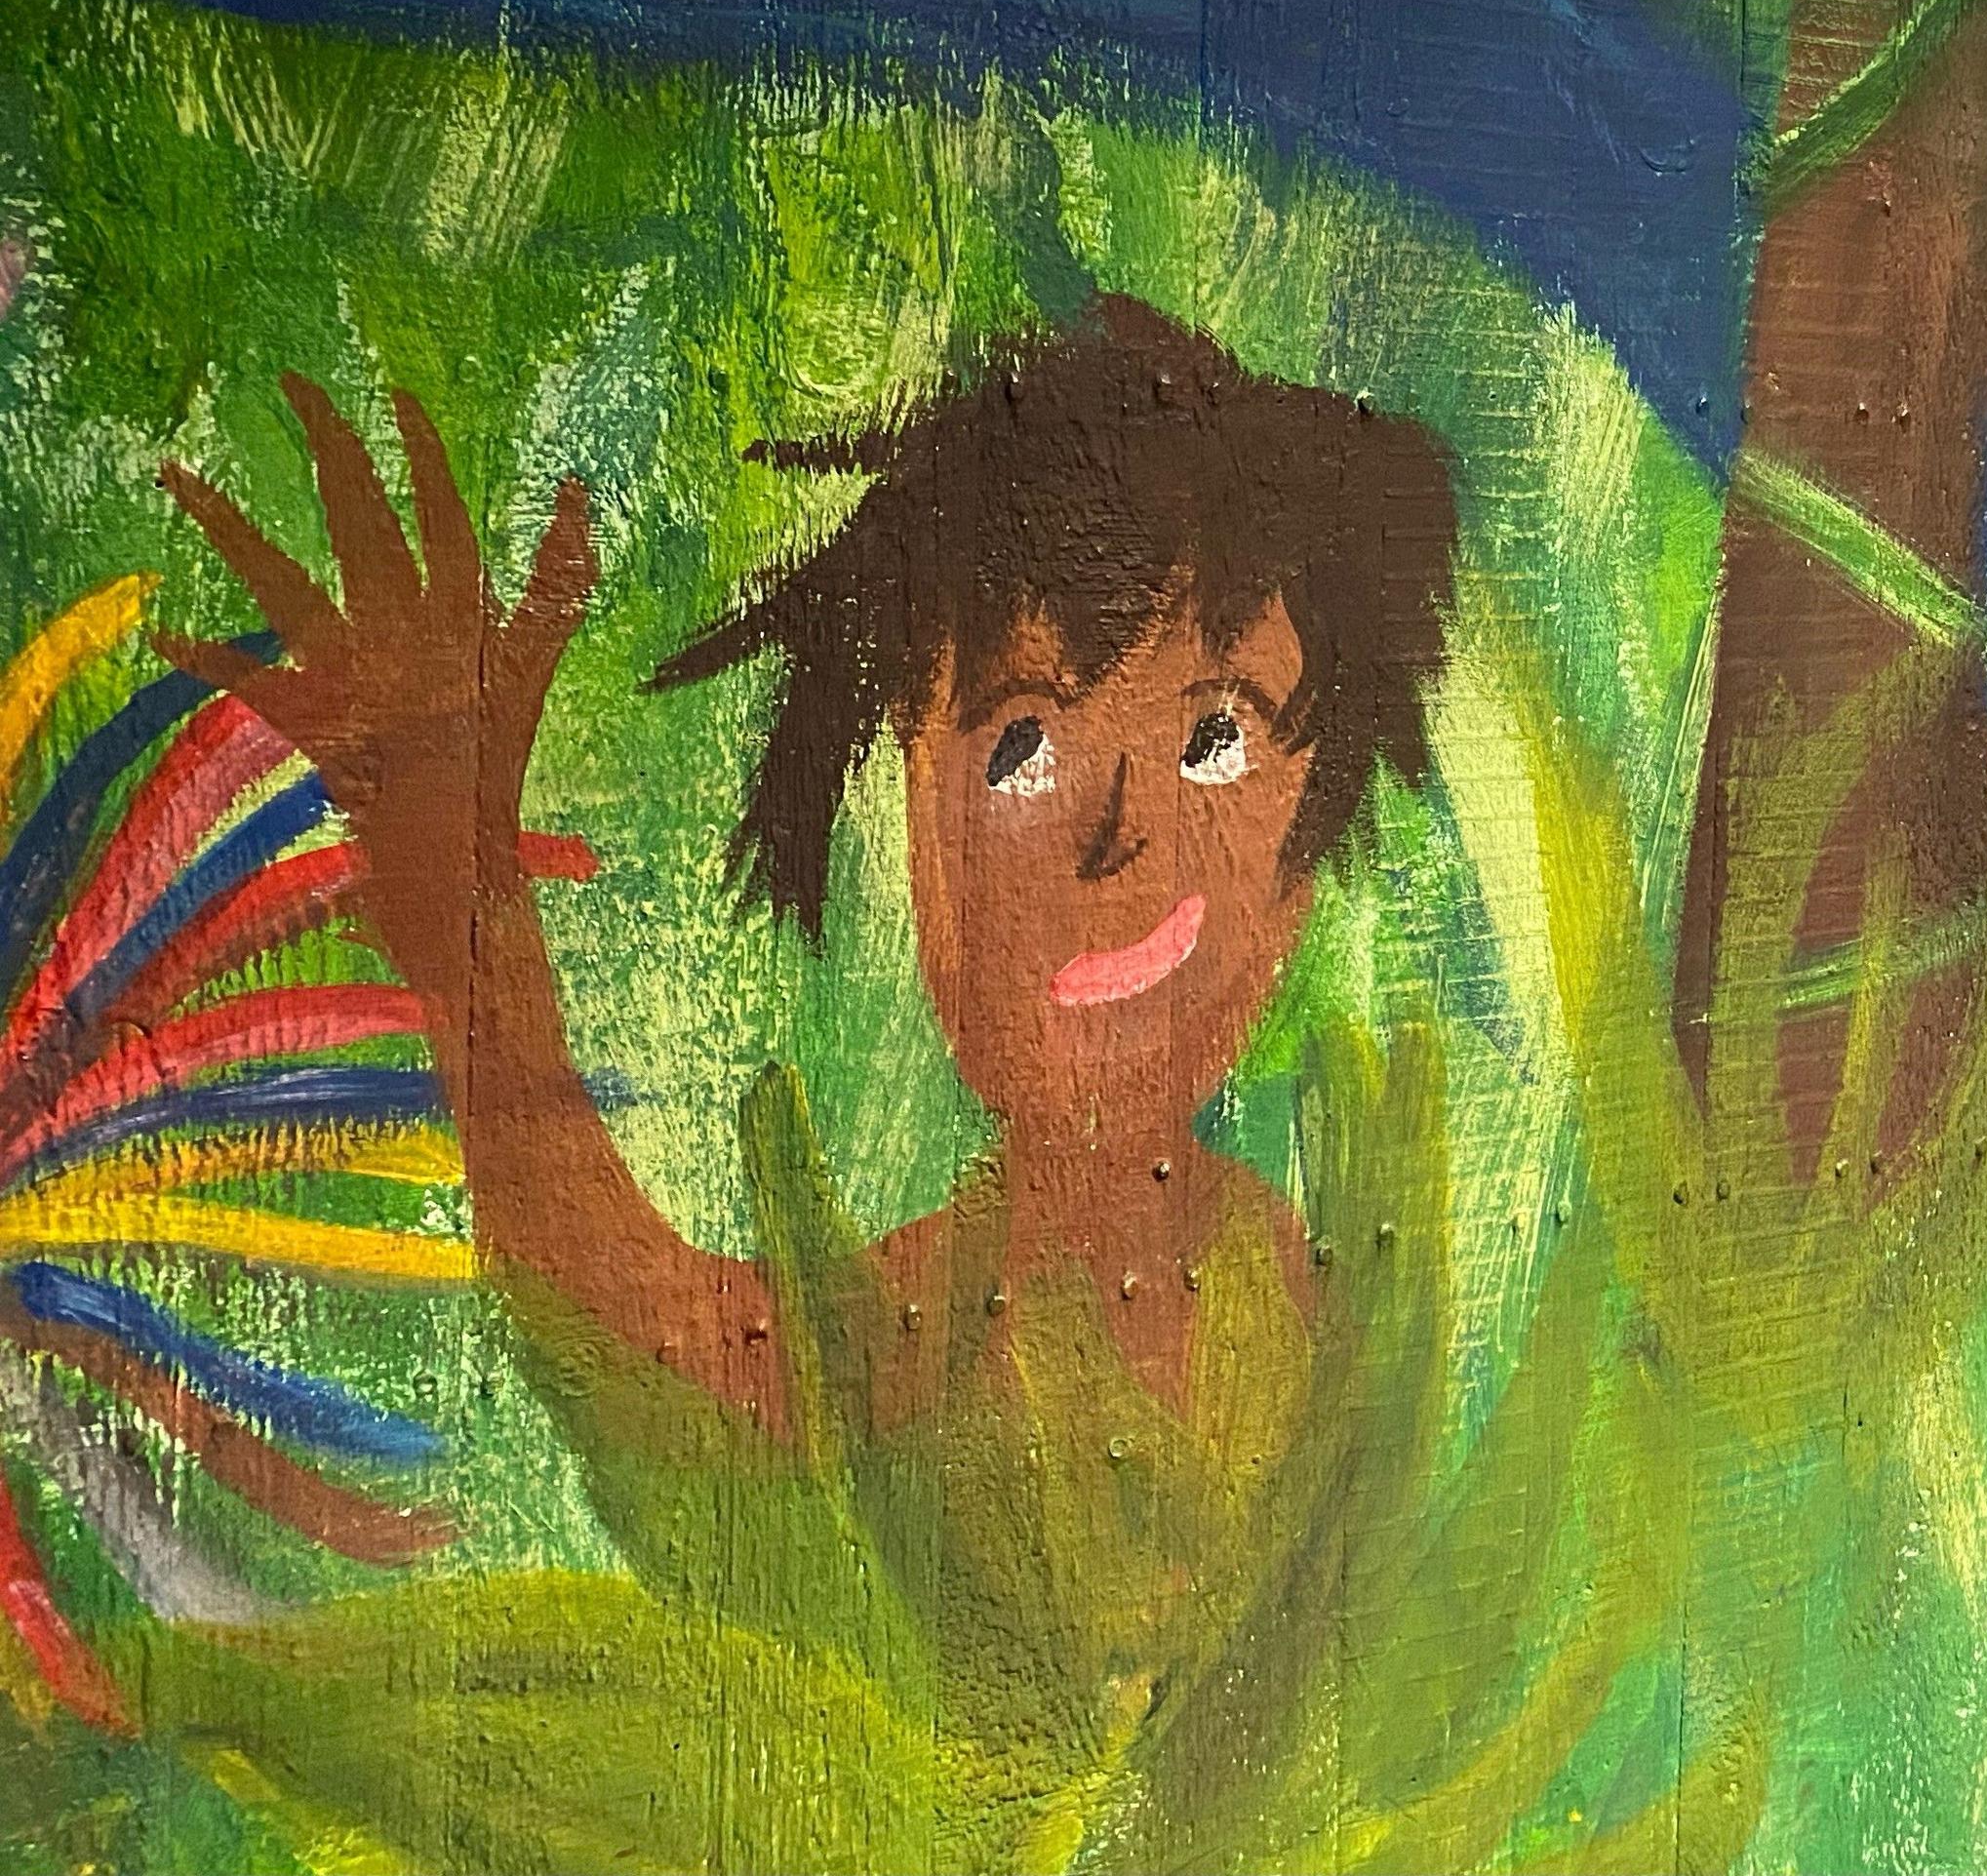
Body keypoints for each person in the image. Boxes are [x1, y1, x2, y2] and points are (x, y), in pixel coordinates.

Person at [156, 295, 1458, 1435]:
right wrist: (466, 913)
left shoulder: (1315, 1307)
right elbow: (649, 1338)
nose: (1116, 830)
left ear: (1303, 852)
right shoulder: (917, 1329)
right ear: (920, 834)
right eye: (1020, 749)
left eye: (1214, 739)